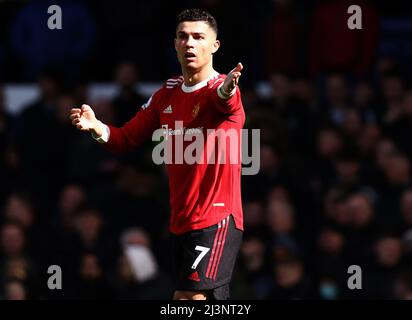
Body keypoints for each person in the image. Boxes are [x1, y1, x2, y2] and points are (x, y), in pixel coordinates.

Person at [70, 8, 245, 300]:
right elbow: (125, 138)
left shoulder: (220, 89)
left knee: (188, 298)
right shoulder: (167, 93)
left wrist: (228, 89)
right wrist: (96, 127)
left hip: (215, 219)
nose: (189, 43)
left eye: (198, 37)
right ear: (175, 44)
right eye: (183, 36)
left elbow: (226, 100)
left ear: (214, 46)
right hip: (181, 221)